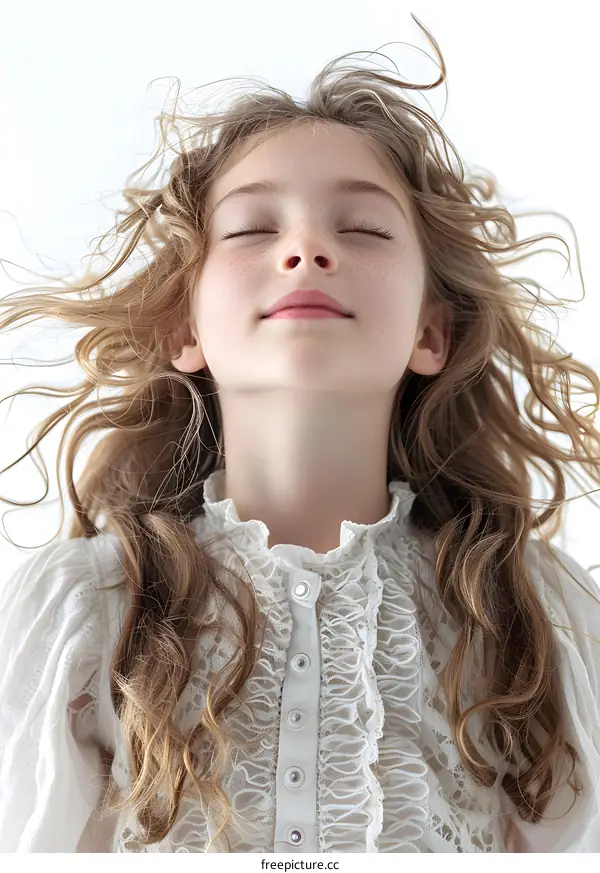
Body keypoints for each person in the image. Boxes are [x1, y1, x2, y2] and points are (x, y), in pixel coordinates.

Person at [1, 16, 599, 854]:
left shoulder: (530, 612)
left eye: (362, 228)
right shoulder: (91, 607)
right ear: (186, 326)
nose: (308, 247)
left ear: (434, 333)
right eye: (252, 228)